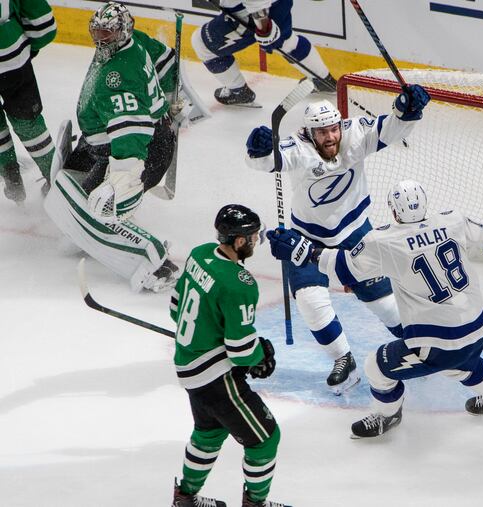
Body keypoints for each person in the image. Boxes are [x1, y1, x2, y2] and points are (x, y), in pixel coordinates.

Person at [267, 178, 483, 438]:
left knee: (377, 366)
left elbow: (342, 268)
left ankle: (387, 416)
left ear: (394, 211)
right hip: (479, 329)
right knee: (459, 363)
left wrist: (302, 250)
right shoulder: (453, 220)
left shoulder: (384, 241)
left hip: (439, 343)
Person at [245, 85, 430, 394]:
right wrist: (259, 151)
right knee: (309, 301)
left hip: (356, 233)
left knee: (385, 305)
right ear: (309, 133)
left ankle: (424, 347)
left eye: (333, 129)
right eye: (322, 132)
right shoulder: (297, 148)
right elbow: (266, 162)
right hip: (305, 236)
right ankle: (344, 360)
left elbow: (393, 128)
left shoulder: (356, 134)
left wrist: (406, 109)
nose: (330, 137)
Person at [43, 2, 182, 292]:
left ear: (122, 31)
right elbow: (167, 59)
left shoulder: (117, 76)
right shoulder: (134, 41)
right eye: (97, 32)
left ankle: (155, 265)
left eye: (107, 33)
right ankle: (93, 221)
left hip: (139, 150)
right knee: (64, 194)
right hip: (118, 141)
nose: (100, 39)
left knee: (96, 207)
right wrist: (169, 99)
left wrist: (122, 177)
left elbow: (131, 133)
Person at [171, 204, 287, 507]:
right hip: (215, 377)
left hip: (188, 366)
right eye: (253, 237)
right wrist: (260, 355)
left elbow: (175, 306)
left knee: (208, 434)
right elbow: (240, 349)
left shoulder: (199, 254)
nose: (256, 241)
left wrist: (201, 334)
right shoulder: (239, 283)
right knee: (265, 440)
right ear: (238, 241)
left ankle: (184, 499)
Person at [191, 0, 337, 107]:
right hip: (277, 3)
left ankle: (238, 91)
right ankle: (323, 79)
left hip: (252, 10)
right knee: (286, 41)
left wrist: (264, 27)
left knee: (201, 43)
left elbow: (257, 5)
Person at [0, 0, 57, 203]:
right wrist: (30, 49)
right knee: (28, 121)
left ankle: (12, 180)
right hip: (13, 60)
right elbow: (44, 26)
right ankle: (56, 181)